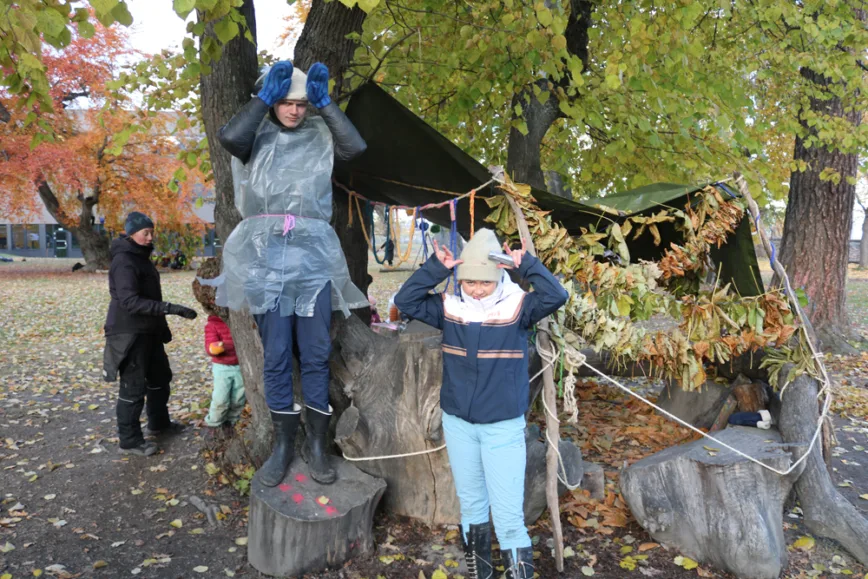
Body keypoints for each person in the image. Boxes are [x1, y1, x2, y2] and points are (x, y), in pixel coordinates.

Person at [217, 61, 368, 486]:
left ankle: (316, 445)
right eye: (286, 101)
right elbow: (229, 136)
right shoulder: (254, 138)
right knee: (279, 355)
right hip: (265, 261)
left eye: (302, 103)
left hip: (312, 259)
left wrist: (326, 103)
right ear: (271, 101)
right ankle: (283, 446)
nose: (295, 110)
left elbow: (355, 148)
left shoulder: (322, 134)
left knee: (316, 353)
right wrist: (264, 96)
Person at [395, 229, 569, 579]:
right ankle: (482, 574)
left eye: (484, 282)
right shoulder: (449, 307)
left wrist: (527, 265)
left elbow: (556, 294)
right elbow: (406, 300)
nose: (476, 288)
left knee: (507, 515)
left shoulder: (518, 307)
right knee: (472, 506)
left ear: (499, 276)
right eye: (469, 281)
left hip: (502, 427)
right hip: (459, 424)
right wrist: (436, 269)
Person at [103, 212, 198, 456]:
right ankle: (130, 441)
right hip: (129, 333)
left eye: (151, 232)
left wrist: (162, 328)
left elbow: (150, 296)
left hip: (149, 331)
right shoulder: (124, 260)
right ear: (131, 233)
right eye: (145, 232)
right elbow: (130, 301)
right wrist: (169, 309)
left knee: (160, 378)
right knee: (133, 388)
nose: (150, 236)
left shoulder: (142, 258)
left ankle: (159, 423)